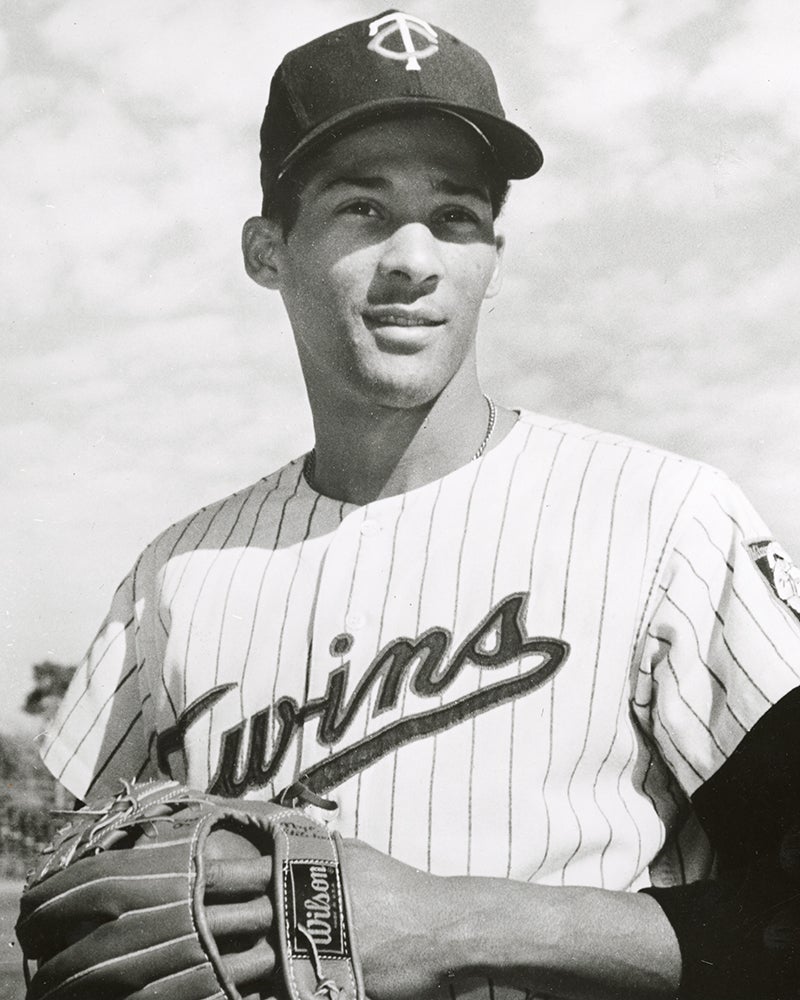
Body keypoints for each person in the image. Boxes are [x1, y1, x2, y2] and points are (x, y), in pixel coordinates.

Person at [36, 9, 800, 999]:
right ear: (267, 250)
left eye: (454, 216)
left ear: (493, 260)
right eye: (362, 207)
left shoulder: (668, 521)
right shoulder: (175, 578)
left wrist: (447, 923)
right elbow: (81, 914)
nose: (413, 256)